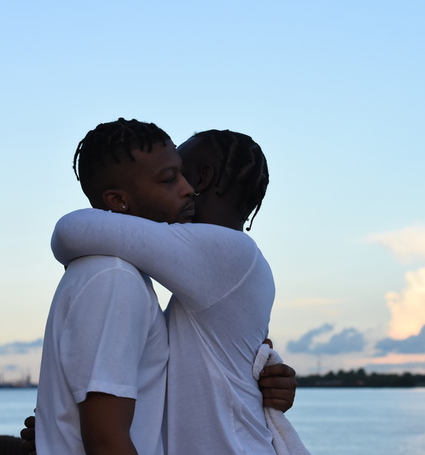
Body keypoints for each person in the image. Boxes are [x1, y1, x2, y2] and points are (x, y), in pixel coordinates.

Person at [34, 120, 297, 454]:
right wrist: (60, 427)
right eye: (169, 177)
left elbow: (71, 230)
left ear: (202, 178)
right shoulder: (188, 273)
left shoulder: (224, 252)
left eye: (180, 173)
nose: (183, 186)